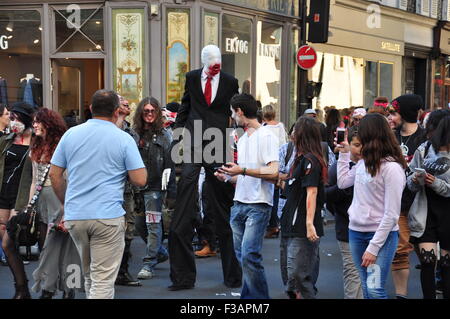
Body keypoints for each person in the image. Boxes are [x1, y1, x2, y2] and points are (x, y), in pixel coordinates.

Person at [49, 90, 147, 299]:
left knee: (90, 276)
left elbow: (54, 174)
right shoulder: (123, 138)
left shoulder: (71, 134)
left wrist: (66, 202)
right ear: (116, 111)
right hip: (107, 215)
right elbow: (140, 179)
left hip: (76, 215)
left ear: (91, 109)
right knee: (102, 281)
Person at [168, 44, 242, 291]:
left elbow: (235, 110)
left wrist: (237, 134)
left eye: (218, 58)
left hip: (217, 142)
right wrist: (178, 137)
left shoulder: (230, 81)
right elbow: (185, 107)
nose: (215, 62)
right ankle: (182, 277)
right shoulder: (191, 77)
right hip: (192, 141)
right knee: (184, 204)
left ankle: (233, 275)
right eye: (210, 59)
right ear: (202, 61)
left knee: (221, 208)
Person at [215, 93, 279, 299]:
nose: (232, 117)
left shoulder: (267, 135)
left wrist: (241, 170)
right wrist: (227, 177)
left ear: (239, 111)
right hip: (239, 203)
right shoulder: (242, 139)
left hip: (258, 204)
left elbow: (273, 172)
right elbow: (242, 175)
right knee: (244, 257)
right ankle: (249, 297)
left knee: (250, 255)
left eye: (233, 113)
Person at [337, 113, 407, 299]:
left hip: (381, 237)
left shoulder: (392, 168)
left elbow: (392, 214)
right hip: (356, 232)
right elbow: (343, 182)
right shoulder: (363, 164)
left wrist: (373, 248)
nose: (359, 139)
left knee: (375, 289)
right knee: (368, 288)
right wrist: (344, 155)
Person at [28, 108, 81, 299]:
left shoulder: (62, 144)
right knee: (50, 246)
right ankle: (59, 289)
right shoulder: (35, 144)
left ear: (48, 124)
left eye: (37, 121)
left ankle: (56, 289)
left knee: (61, 247)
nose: (34, 125)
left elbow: (69, 177)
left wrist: (68, 207)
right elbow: (35, 179)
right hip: (44, 201)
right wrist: (29, 207)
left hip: (62, 199)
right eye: (33, 122)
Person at [279, 116, 327, 299]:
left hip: (301, 226)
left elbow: (312, 192)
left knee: (298, 275)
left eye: (295, 131)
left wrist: (309, 223)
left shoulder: (310, 161)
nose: (291, 135)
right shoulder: (300, 160)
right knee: (291, 279)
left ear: (302, 135)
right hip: (290, 222)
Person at [407, 112, 450, 299]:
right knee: (427, 262)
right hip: (425, 212)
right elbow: (409, 183)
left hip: (448, 214)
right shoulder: (423, 149)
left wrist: (435, 183)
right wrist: (416, 180)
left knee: (447, 264)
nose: (429, 131)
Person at [387, 94, 427, 299]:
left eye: (394, 113)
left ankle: (435, 285)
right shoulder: (389, 137)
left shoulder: (426, 138)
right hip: (398, 204)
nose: (390, 117)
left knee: (426, 253)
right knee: (400, 251)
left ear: (406, 114)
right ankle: (400, 295)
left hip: (422, 204)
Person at [133, 96, 175, 280]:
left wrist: (170, 191)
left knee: (152, 225)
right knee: (140, 225)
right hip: (136, 187)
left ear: (157, 113)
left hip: (155, 187)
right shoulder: (134, 134)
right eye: (146, 111)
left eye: (153, 111)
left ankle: (149, 263)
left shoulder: (165, 135)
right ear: (141, 113)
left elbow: (170, 164)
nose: (149, 114)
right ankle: (160, 252)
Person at [0, 102, 35, 298]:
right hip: (3, 194)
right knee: (8, 245)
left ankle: (22, 287)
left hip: (21, 196)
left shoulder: (38, 141)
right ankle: (21, 287)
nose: (13, 121)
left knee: (7, 243)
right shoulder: (6, 139)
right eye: (11, 117)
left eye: (16, 118)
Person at [325, 126, 363, 299]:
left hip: (371, 227)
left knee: (371, 273)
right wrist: (346, 192)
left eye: (363, 144)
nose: (360, 149)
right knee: (353, 271)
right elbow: (328, 195)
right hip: (346, 227)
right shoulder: (338, 166)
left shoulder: (374, 165)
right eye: (356, 144)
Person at [115, 96, 142, 287]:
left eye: (127, 103)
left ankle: (122, 271)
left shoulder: (132, 134)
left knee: (128, 230)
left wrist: (137, 191)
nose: (127, 105)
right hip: (106, 189)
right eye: (122, 103)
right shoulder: (104, 130)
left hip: (126, 190)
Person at [261, 104, 287, 239]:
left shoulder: (263, 128)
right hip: (278, 161)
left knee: (268, 193)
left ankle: (271, 225)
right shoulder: (280, 126)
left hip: (267, 162)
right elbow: (283, 144)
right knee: (276, 195)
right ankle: (275, 224)